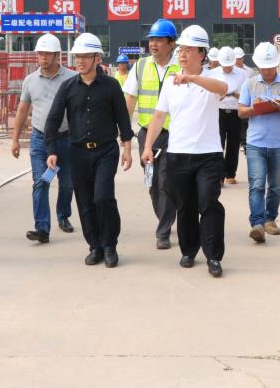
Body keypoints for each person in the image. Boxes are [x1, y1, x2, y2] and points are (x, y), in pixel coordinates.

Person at [141, 25, 228, 277]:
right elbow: (159, 117)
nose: (182, 55)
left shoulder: (212, 78)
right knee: (185, 206)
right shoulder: (171, 83)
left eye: (189, 50)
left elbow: (221, 90)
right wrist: (147, 146)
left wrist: (192, 79)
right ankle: (189, 250)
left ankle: (213, 256)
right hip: (178, 154)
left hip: (208, 155)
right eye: (181, 50)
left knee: (208, 202)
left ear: (202, 54)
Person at [46, 33, 134, 268]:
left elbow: (123, 119)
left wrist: (127, 149)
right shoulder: (67, 87)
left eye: (86, 56)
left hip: (106, 151)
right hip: (78, 153)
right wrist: (51, 149)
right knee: (85, 201)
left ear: (97, 58)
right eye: (78, 56)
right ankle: (95, 246)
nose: (80, 61)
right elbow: (53, 119)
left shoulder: (111, 86)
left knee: (103, 198)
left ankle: (110, 245)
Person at [11, 33, 77, 244]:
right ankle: (42, 228)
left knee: (67, 184)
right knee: (41, 182)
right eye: (40, 53)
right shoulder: (30, 81)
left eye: (47, 54)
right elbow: (22, 110)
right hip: (40, 140)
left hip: (66, 139)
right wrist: (15, 139)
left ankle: (63, 215)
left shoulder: (72, 78)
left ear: (58, 55)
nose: (43, 57)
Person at [123, 19, 180, 249]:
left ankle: (163, 231)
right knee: (153, 183)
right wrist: (124, 133)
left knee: (165, 180)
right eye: (151, 40)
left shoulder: (181, 66)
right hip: (147, 134)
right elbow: (130, 99)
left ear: (171, 43)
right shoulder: (140, 66)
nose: (153, 44)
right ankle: (166, 216)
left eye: (159, 40)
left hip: (174, 134)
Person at [238, 42, 280, 243]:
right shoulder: (249, 84)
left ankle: (270, 219)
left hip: (278, 144)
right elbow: (241, 111)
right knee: (257, 185)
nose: (266, 71)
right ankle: (257, 223)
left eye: (270, 67)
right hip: (255, 143)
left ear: (276, 65)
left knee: (275, 186)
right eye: (263, 67)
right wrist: (254, 108)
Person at [209, 46, 248, 185]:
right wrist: (219, 95)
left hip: (235, 112)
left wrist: (237, 95)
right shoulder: (213, 74)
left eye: (229, 65)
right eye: (225, 65)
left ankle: (230, 174)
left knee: (233, 144)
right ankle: (218, 176)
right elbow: (209, 94)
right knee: (218, 143)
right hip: (219, 111)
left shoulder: (242, 74)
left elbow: (247, 93)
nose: (227, 68)